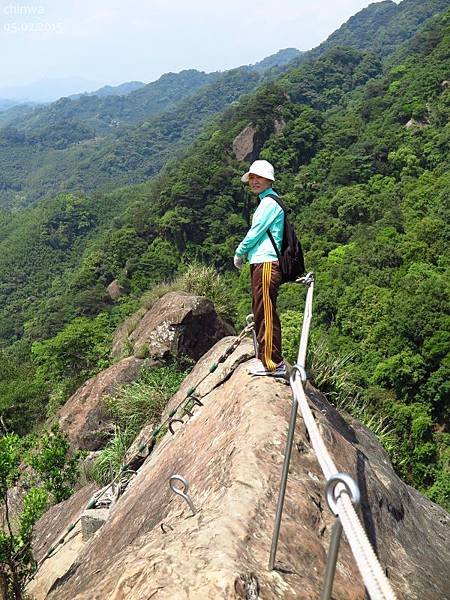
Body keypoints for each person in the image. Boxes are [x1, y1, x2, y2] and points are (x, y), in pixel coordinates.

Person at [234, 159, 287, 377]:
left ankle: (273, 363)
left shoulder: (269, 204)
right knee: (261, 311)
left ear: (269, 179)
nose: (254, 181)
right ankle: (267, 359)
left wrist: (239, 252)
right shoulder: (267, 201)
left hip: (266, 263)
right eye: (252, 178)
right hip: (261, 263)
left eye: (259, 177)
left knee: (265, 312)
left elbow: (254, 233)